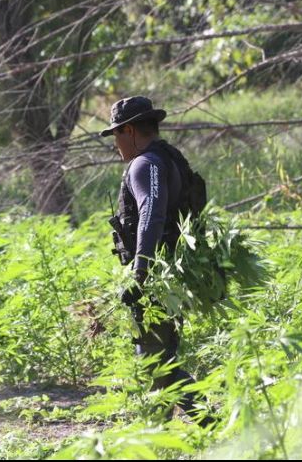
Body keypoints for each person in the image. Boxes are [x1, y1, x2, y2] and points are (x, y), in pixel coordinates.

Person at [102, 96, 210, 425]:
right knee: (155, 359)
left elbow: (151, 212)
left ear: (130, 130)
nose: (116, 144)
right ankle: (155, 435)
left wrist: (140, 272)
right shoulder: (170, 158)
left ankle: (212, 425)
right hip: (172, 275)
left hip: (156, 278)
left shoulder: (145, 164)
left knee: (156, 360)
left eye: (117, 135)